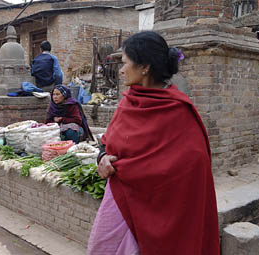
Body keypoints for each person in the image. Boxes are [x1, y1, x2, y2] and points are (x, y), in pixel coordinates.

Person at [87, 31, 220, 255]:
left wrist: (145, 173)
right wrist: (102, 157)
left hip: (165, 208)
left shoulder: (177, 109)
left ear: (145, 67)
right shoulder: (127, 103)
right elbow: (108, 143)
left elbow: (194, 164)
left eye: (125, 63)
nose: (120, 70)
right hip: (122, 198)